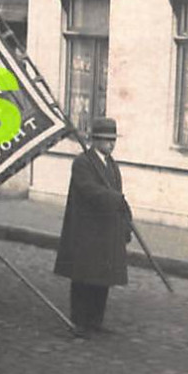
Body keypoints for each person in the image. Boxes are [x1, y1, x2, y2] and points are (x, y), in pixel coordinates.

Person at [54, 116, 132, 332]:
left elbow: (118, 194)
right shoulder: (83, 162)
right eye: (107, 140)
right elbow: (89, 190)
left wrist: (125, 219)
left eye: (113, 139)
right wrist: (114, 199)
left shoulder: (111, 164)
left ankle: (96, 321)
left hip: (106, 231)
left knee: (102, 278)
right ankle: (79, 321)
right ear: (94, 140)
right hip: (86, 231)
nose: (111, 144)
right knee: (84, 278)